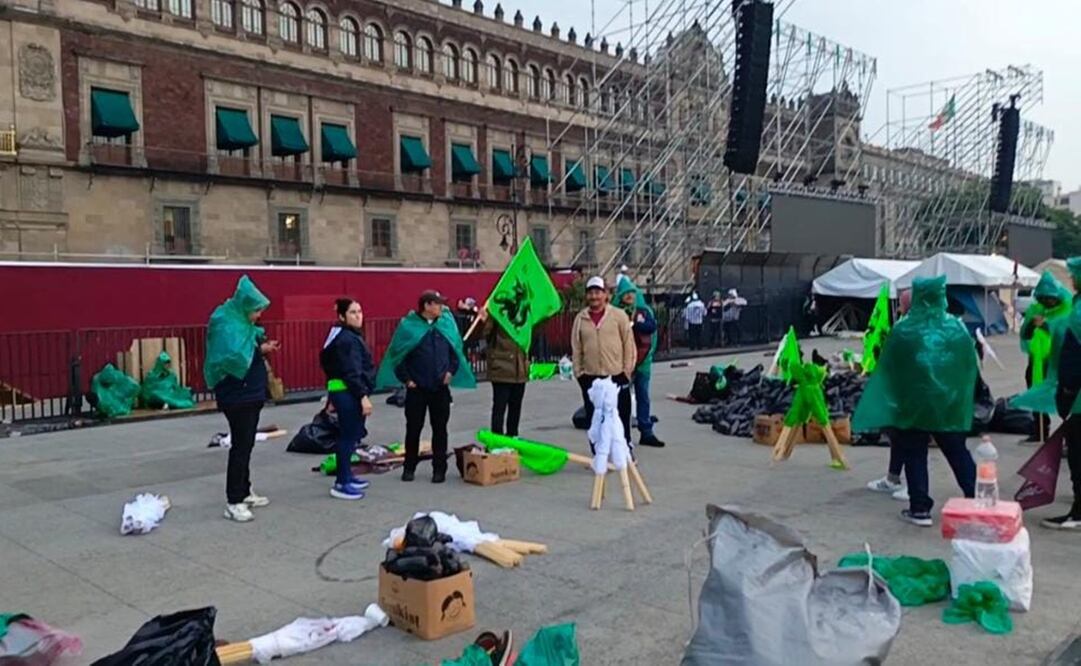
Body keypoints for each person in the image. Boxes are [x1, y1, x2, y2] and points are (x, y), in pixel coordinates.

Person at [852, 275, 978, 527]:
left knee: (914, 453)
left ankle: (920, 508)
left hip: (913, 404)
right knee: (957, 451)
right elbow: (969, 366)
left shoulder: (904, 330)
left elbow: (889, 367)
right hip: (947, 404)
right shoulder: (956, 328)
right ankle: (976, 499)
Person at [376, 290, 476, 483]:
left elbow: (455, 352)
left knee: (440, 430)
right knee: (413, 429)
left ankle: (439, 470)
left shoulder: (445, 325)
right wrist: (407, 380)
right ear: (427, 306)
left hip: (440, 388)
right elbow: (398, 356)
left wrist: (451, 371)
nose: (442, 307)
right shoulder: (408, 326)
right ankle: (409, 468)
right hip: (417, 390)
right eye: (437, 304)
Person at [1014, 257, 1081, 529]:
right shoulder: (1068, 308)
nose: (1071, 280)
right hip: (1051, 372)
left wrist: (1065, 391)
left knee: (1078, 453)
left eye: (1074, 275)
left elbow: (1072, 355)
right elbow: (1029, 332)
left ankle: (1078, 512)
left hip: (1076, 393)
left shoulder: (1075, 313)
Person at [205, 275, 277, 523]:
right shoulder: (226, 321)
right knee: (241, 446)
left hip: (249, 392)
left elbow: (243, 347)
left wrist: (259, 346)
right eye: (256, 310)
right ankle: (234, 500)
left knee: (245, 444)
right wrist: (258, 348)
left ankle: (244, 491)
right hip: (238, 395)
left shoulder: (239, 323)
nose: (258, 315)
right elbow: (232, 356)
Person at [321, 298, 375, 500]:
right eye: (353, 312)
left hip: (345, 391)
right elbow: (351, 371)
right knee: (348, 436)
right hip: (348, 393)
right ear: (342, 316)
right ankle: (341, 483)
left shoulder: (344, 336)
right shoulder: (347, 340)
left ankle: (347, 476)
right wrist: (362, 396)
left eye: (360, 311)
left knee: (351, 436)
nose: (358, 315)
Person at [572, 276, 636, 445]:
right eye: (591, 293)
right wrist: (579, 373)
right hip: (591, 376)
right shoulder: (580, 318)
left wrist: (626, 372)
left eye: (598, 292)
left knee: (621, 415)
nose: (594, 296)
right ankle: (599, 455)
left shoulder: (619, 316)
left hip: (616, 375)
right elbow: (576, 347)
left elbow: (629, 345)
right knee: (595, 419)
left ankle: (625, 450)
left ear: (606, 294)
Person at [1018, 271, 1071, 443]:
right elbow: (1025, 335)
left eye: (1049, 299)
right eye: (1043, 299)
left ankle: (1068, 436)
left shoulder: (1067, 309)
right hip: (1039, 360)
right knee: (1036, 390)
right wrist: (1033, 325)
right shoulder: (1036, 310)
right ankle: (1040, 429)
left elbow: (1063, 333)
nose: (1046, 303)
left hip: (1060, 361)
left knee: (1066, 396)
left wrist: (1047, 325)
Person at [616, 276, 666, 448]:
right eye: (625, 293)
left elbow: (651, 327)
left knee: (643, 397)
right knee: (621, 399)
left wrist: (634, 323)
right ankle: (621, 434)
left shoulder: (643, 312)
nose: (629, 296)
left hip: (643, 362)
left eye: (631, 292)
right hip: (622, 364)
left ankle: (646, 431)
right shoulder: (615, 313)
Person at [473, 306, 528, 437]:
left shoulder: (524, 314)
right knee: (500, 407)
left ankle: (513, 438)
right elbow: (482, 334)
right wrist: (483, 320)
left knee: (516, 407)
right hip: (501, 368)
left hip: (519, 369)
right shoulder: (497, 313)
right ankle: (497, 440)